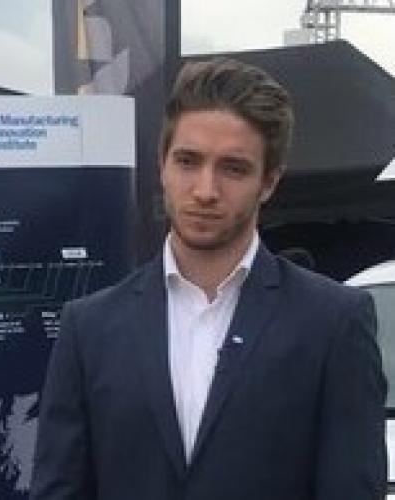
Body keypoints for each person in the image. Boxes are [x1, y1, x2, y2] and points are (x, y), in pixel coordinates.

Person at [30, 58, 387, 500]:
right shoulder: (89, 329)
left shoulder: (333, 323)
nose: (205, 190)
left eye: (233, 168)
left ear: (269, 181)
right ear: (162, 165)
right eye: (188, 161)